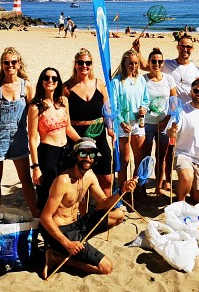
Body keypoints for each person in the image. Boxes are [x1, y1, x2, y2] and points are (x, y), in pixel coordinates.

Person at [40, 138, 137, 278]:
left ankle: (77, 246)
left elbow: (104, 203)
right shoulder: (63, 181)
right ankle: (57, 257)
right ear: (75, 155)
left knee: (118, 214)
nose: (88, 158)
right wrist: (67, 244)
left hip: (77, 225)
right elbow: (45, 218)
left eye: (91, 154)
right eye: (83, 153)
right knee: (106, 268)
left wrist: (122, 191)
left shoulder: (90, 176)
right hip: (61, 231)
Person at [0, 47, 38, 218]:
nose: (10, 66)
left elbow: (33, 113)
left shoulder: (26, 86)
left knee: (25, 179)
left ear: (19, 64)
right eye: (6, 62)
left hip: (19, 136)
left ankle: (35, 214)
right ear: (2, 65)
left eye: (13, 62)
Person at [28, 68, 81, 212]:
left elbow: (68, 127)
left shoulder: (63, 101)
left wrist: (82, 141)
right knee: (48, 191)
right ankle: (45, 221)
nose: (50, 81)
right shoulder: (36, 106)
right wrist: (35, 167)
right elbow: (32, 138)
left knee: (66, 188)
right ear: (41, 81)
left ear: (58, 82)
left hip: (65, 151)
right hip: (48, 153)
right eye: (46, 78)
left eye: (54, 78)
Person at [64, 48, 114, 197]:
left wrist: (110, 128)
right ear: (75, 64)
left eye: (88, 63)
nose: (84, 66)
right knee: (80, 180)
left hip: (99, 135)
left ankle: (104, 208)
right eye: (81, 62)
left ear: (92, 65)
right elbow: (65, 120)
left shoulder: (99, 84)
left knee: (107, 179)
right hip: (77, 137)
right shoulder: (66, 88)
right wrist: (81, 142)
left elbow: (107, 111)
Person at [167, 78, 199, 204]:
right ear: (191, 92)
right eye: (196, 91)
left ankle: (188, 189)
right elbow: (169, 134)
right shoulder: (181, 110)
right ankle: (180, 204)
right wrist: (172, 130)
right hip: (184, 154)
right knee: (187, 177)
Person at [110, 50, 149, 191]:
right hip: (122, 124)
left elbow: (145, 99)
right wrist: (121, 122)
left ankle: (136, 189)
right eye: (130, 63)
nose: (133, 66)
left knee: (139, 159)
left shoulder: (141, 80)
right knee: (124, 160)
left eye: (136, 63)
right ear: (124, 64)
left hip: (138, 123)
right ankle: (123, 189)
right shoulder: (116, 82)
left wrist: (144, 108)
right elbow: (113, 105)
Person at [141, 48, 177, 196]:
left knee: (161, 157)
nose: (157, 64)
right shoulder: (143, 79)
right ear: (149, 62)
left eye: (159, 61)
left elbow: (174, 102)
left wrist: (167, 120)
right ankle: (142, 186)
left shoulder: (169, 79)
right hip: (147, 123)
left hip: (164, 123)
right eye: (154, 61)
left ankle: (158, 186)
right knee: (145, 156)